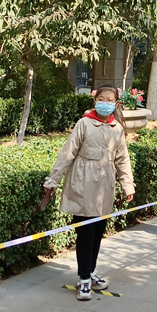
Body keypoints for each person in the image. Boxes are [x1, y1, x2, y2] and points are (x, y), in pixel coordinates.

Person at [42, 85, 134, 300]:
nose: (105, 103)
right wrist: (53, 180)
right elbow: (67, 153)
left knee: (98, 232)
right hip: (82, 185)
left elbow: (122, 159)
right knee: (85, 233)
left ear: (116, 103)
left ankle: (90, 272)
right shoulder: (84, 124)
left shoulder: (117, 129)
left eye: (109, 100)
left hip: (104, 186)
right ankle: (83, 278)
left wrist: (127, 184)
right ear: (95, 101)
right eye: (101, 99)